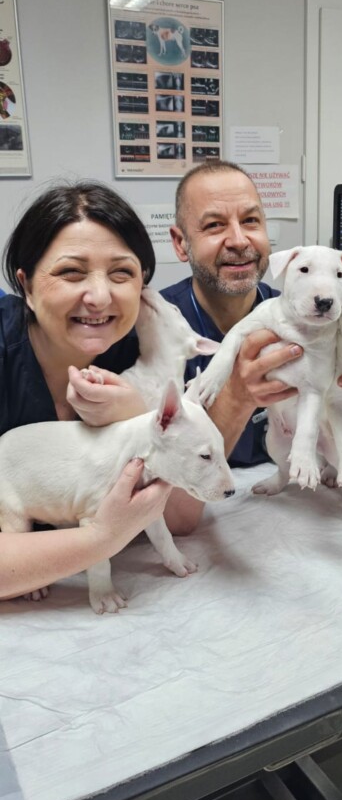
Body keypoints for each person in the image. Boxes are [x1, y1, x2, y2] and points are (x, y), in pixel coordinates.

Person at [0, 180, 199, 601]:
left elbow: (182, 517)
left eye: (121, 273)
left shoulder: (133, 351)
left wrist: (137, 418)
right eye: (71, 272)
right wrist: (100, 539)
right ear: (27, 286)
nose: (99, 297)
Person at [161, 160, 342, 475]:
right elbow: (159, 478)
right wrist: (237, 398)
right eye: (214, 225)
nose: (239, 240)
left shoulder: (316, 322)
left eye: (251, 220)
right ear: (180, 243)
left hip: (298, 490)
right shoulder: (153, 329)